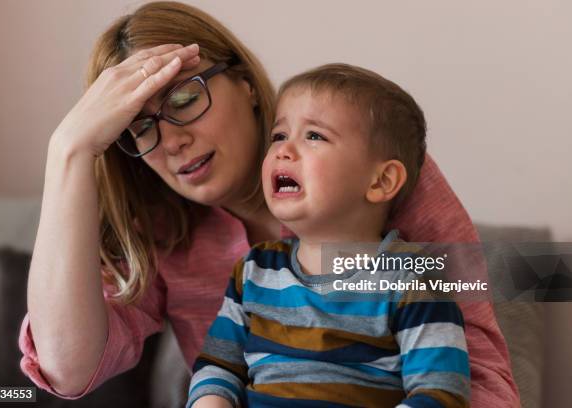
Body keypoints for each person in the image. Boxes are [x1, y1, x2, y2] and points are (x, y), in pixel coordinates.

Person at [19, 2, 518, 407]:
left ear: (245, 84)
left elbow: (481, 367)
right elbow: (66, 369)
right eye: (142, 128)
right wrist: (68, 151)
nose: (171, 142)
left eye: (184, 101)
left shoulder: (369, 164)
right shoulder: (157, 232)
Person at [187, 63, 470, 408]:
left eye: (314, 136)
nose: (283, 150)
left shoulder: (413, 279)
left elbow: (439, 393)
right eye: (279, 135)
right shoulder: (254, 271)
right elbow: (218, 365)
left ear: (380, 181)